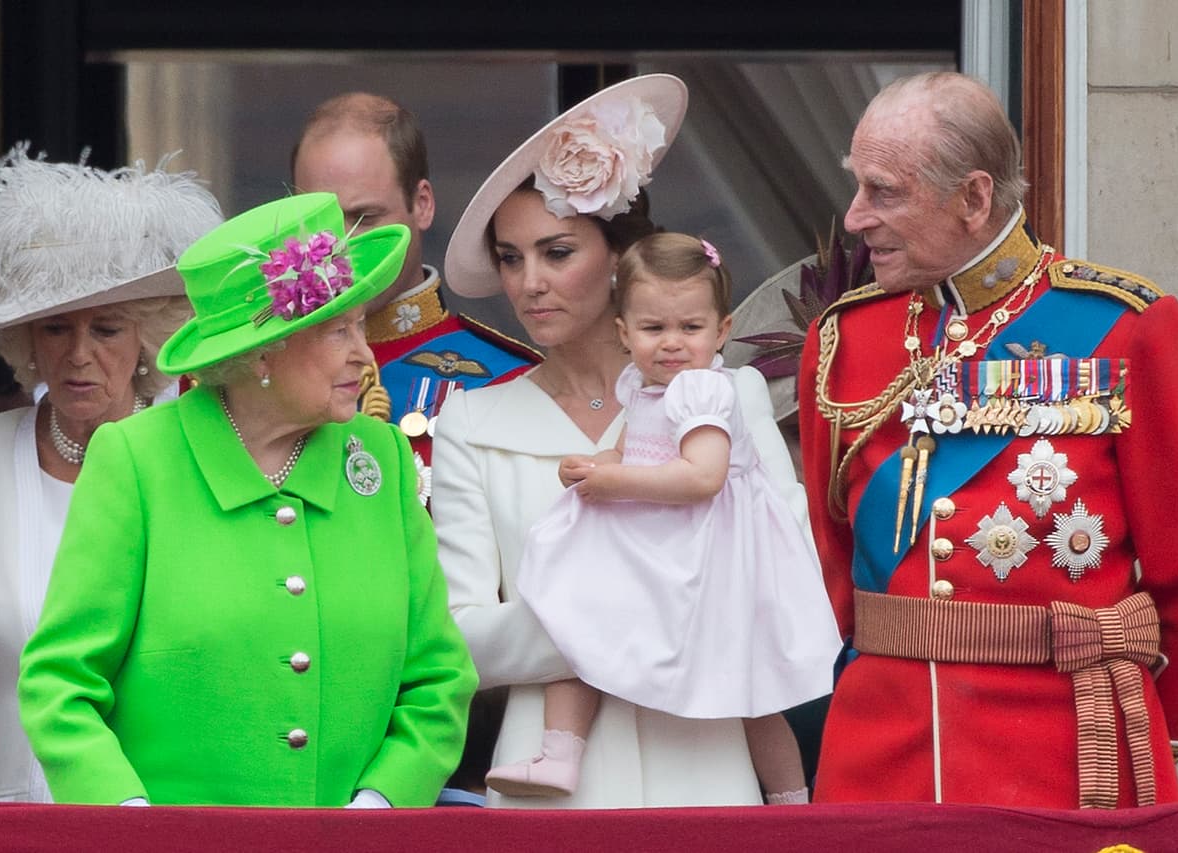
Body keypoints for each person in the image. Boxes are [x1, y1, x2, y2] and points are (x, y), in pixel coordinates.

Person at [797, 71, 1178, 809]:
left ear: (975, 199)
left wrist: (1144, 719)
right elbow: (829, 560)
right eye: (859, 187)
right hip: (878, 756)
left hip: (1068, 754)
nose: (854, 218)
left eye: (884, 193)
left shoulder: (1124, 327)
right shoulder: (843, 339)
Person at [18, 191, 477, 807]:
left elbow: (438, 680)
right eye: (338, 329)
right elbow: (60, 684)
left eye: (360, 325)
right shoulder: (136, 461)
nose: (364, 355)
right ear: (263, 352)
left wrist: (380, 806)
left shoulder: (384, 460)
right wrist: (130, 822)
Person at [435, 73, 814, 809]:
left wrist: (603, 610)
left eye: (555, 251)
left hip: (703, 768)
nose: (530, 283)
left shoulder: (727, 395)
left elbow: (781, 574)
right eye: (511, 259)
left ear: (618, 256)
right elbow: (461, 640)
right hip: (546, 781)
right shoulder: (470, 422)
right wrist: (638, 614)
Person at [483, 233, 840, 804]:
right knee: (576, 622)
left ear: (721, 331)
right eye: (653, 329)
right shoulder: (644, 388)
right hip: (664, 543)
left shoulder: (705, 391)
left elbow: (702, 477)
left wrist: (613, 482)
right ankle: (560, 752)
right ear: (624, 333)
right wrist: (594, 466)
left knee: (753, 700)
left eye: (690, 329)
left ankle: (790, 800)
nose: (672, 345)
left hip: (711, 559)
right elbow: (629, 451)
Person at [0, 146, 222, 803]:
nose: (78, 354)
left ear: (148, 338)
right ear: (29, 341)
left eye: (107, 328)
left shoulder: (204, 459)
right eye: (57, 327)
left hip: (162, 822)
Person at [291, 92, 539, 502]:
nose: (340, 245)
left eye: (365, 218)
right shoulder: (254, 371)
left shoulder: (508, 381)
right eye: (316, 222)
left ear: (422, 204)